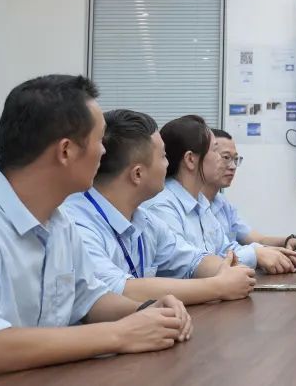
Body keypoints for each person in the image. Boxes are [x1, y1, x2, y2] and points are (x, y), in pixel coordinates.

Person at [0, 75, 191, 384]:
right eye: (99, 141)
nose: (104, 153)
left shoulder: (59, 221)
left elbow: (89, 298)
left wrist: (147, 312)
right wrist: (121, 334)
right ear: (66, 151)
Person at [62, 109, 257, 305]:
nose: (168, 164)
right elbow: (116, 291)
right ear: (137, 174)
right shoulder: (77, 222)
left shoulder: (144, 219)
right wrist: (218, 286)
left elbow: (193, 259)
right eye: (163, 156)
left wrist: (226, 271)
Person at [142, 115, 296, 274]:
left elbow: (225, 248)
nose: (224, 161)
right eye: (215, 150)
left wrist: (262, 251)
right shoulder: (161, 206)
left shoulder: (200, 202)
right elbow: (189, 264)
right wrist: (255, 254)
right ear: (190, 159)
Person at [203, 129, 296, 255]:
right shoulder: (194, 207)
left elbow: (258, 240)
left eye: (235, 159)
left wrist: (288, 240)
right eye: (226, 158)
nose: (233, 166)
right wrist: (258, 254)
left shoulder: (222, 204)